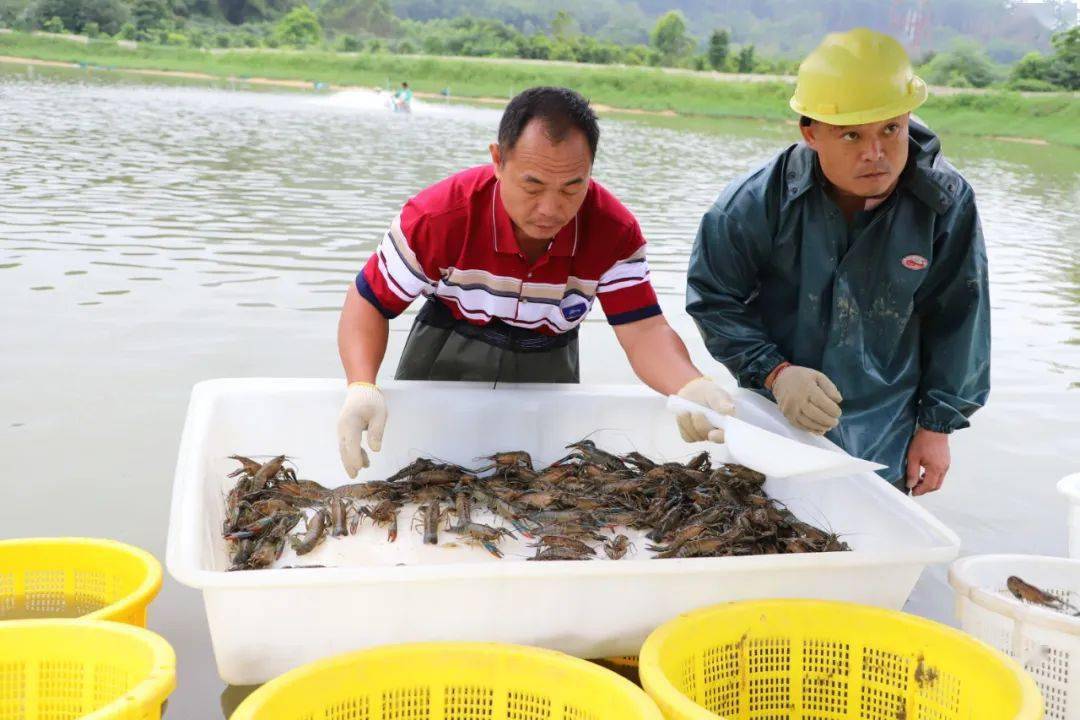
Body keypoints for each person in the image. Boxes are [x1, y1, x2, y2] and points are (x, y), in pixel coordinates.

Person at [337, 86, 734, 477]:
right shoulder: (438, 218)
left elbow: (644, 330)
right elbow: (369, 301)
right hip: (448, 341)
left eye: (571, 187)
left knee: (543, 475)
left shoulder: (614, 232)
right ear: (498, 160)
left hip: (548, 354)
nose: (550, 209)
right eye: (533, 185)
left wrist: (688, 384)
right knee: (423, 467)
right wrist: (361, 385)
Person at [686, 28, 990, 495]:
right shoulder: (754, 203)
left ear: (908, 117)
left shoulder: (945, 203)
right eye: (851, 134)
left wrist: (937, 427)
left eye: (891, 129)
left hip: (887, 428)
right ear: (811, 132)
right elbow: (714, 299)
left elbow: (959, 319)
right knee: (761, 518)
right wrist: (774, 372)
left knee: (864, 526)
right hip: (775, 415)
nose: (876, 153)